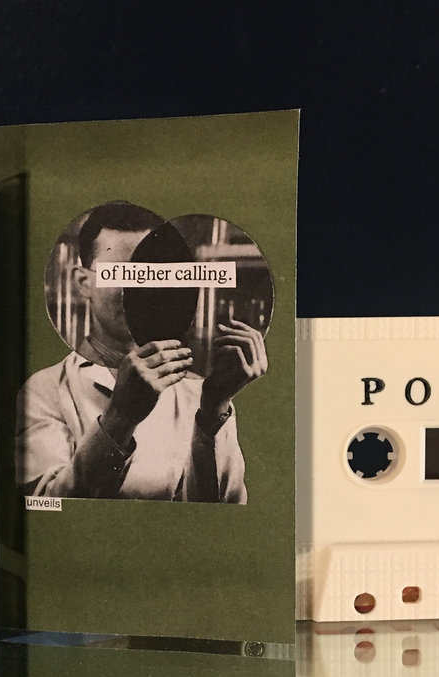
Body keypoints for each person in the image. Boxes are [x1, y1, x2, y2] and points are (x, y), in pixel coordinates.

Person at [16, 202, 267, 502]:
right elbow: (46, 505)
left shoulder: (195, 392)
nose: (137, 290)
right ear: (83, 283)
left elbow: (224, 511)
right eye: (119, 274)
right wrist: (120, 418)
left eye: (148, 274)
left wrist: (214, 410)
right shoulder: (43, 391)